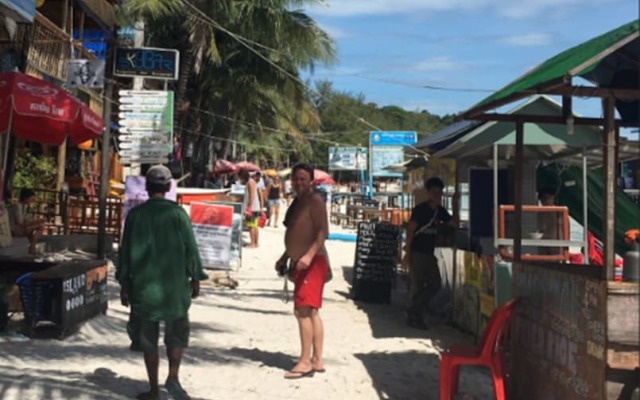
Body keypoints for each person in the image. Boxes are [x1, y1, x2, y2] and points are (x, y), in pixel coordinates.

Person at [116, 165, 207, 400]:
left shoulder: (135, 216)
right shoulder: (177, 214)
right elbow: (191, 249)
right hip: (175, 288)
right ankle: (173, 377)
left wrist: (124, 283)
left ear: (147, 187)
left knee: (149, 341)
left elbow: (125, 253)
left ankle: (154, 390)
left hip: (145, 289)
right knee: (176, 335)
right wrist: (195, 277)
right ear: (168, 187)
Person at [274, 163, 329, 379]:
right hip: (299, 262)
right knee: (312, 312)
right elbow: (297, 232)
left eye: (303, 179)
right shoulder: (297, 202)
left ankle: (305, 361)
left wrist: (307, 255)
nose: (298, 182)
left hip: (313, 263)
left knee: (303, 311)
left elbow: (324, 231)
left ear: (311, 181)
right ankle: (317, 360)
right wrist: (285, 256)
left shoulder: (315, 201)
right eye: (296, 178)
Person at [402, 177, 458, 329]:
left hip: (429, 253)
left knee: (435, 284)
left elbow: (454, 223)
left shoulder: (441, 211)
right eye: (434, 192)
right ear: (428, 193)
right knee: (418, 286)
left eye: (439, 193)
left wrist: (454, 204)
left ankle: (413, 310)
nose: (436, 195)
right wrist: (407, 254)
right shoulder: (420, 210)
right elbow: (411, 231)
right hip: (417, 252)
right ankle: (416, 318)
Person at [8, 188, 45, 254]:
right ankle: (32, 247)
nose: (32, 200)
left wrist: (35, 221)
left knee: (40, 226)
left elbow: (25, 221)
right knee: (40, 226)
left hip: (19, 228)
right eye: (31, 198)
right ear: (25, 197)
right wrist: (35, 222)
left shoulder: (23, 207)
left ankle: (32, 246)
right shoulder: (17, 206)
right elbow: (20, 223)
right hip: (14, 230)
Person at [239, 169, 261, 248]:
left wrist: (249, 207)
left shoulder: (250, 182)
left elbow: (251, 195)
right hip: (255, 207)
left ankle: (253, 243)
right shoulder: (252, 181)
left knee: (251, 225)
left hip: (252, 207)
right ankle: (256, 242)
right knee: (255, 225)